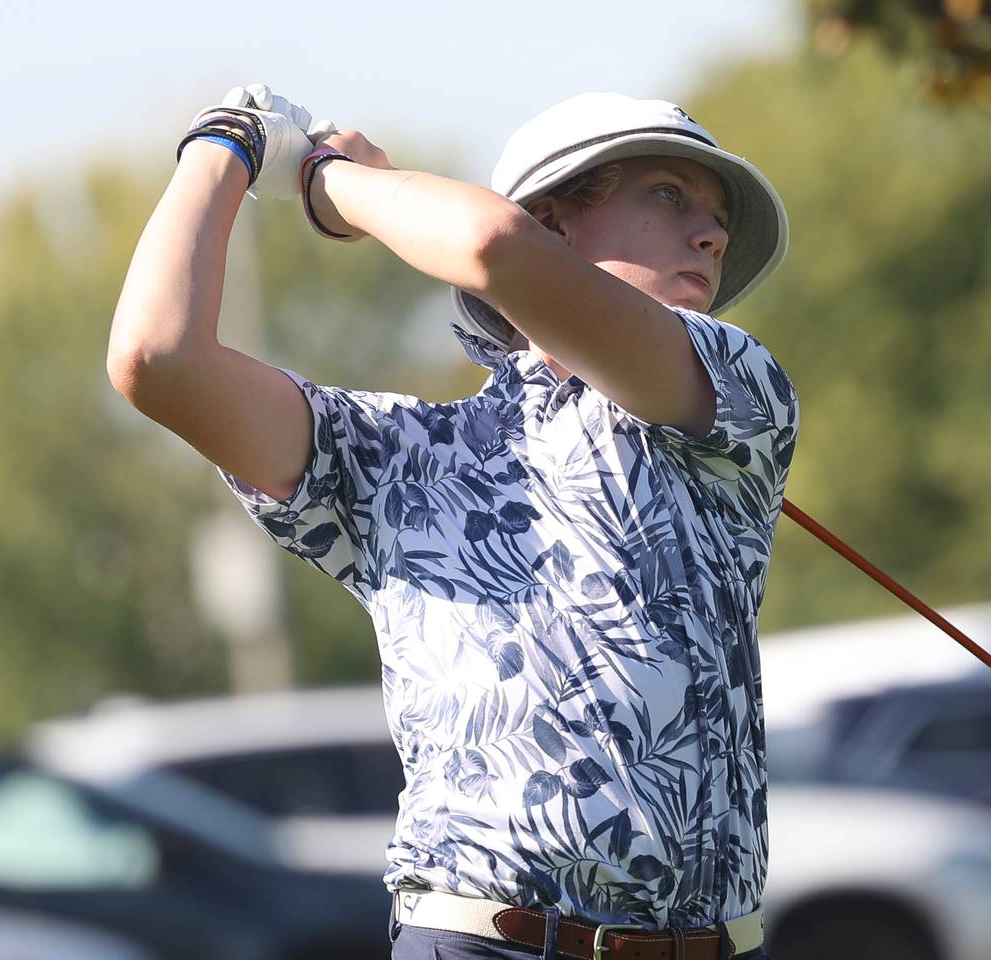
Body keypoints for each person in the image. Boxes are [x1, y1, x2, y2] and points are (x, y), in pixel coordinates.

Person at [108, 85, 798, 960]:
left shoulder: (736, 390)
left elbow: (487, 244)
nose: (711, 233)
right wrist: (224, 147)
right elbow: (156, 359)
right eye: (669, 195)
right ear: (555, 224)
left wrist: (328, 182)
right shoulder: (398, 453)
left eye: (717, 217)